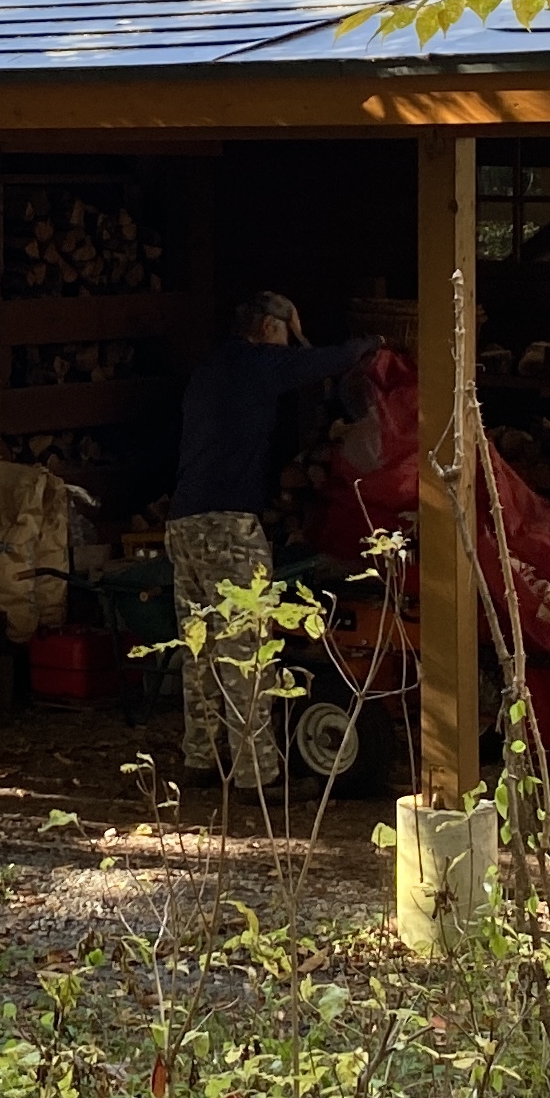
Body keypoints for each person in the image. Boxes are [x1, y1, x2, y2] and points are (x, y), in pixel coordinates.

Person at [166, 294, 384, 781]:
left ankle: (201, 760)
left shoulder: (210, 370)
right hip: (228, 524)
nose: (289, 346)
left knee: (199, 650)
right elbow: (317, 362)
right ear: (268, 327)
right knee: (247, 653)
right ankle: (256, 775)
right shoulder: (255, 364)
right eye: (288, 333)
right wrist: (370, 345)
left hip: (183, 524)